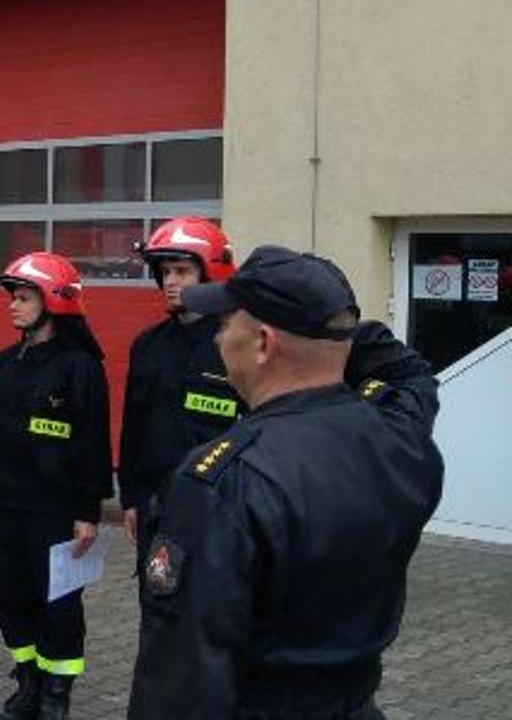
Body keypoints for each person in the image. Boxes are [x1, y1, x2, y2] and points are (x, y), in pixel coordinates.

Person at [130, 247, 444, 720]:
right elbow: (411, 375)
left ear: (262, 343)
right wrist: (333, 330)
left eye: (223, 324)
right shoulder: (401, 439)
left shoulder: (222, 480)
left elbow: (184, 681)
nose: (217, 338)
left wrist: (330, 330)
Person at [0, 252, 113, 720]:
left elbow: (93, 441)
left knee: (59, 605)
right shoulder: (2, 366)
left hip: (59, 511)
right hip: (11, 507)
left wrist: (88, 511)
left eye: (23, 296)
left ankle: (56, 696)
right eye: (12, 296)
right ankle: (29, 685)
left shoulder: (80, 368)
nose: (13, 305)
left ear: (53, 300)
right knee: (10, 594)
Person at [120, 217, 243, 578]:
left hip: (216, 506)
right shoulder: (147, 345)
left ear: (210, 273)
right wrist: (130, 498)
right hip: (154, 505)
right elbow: (133, 427)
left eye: (182, 271)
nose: (170, 281)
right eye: (165, 271)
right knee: (156, 607)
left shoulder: (236, 344)